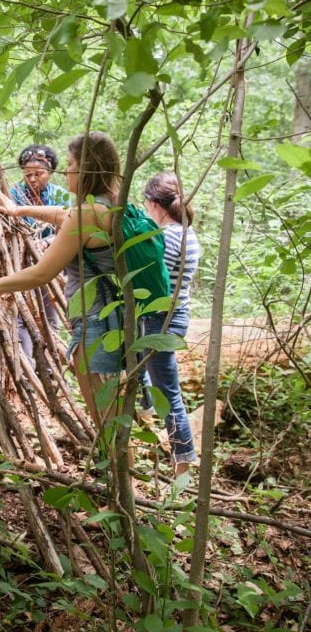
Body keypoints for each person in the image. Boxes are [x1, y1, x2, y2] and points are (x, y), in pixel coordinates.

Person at [0, 132, 124, 432]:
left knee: (107, 421)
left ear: (87, 168)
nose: (67, 170)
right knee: (113, 416)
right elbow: (63, 215)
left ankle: (116, 477)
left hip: (96, 323)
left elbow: (41, 273)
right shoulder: (110, 203)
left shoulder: (88, 214)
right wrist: (18, 209)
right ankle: (118, 476)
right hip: (114, 318)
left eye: (72, 163)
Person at [140, 172, 201, 477]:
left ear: (154, 204)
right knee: (143, 370)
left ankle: (184, 462)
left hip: (160, 319)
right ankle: (147, 409)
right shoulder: (188, 233)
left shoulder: (165, 237)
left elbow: (153, 281)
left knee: (169, 390)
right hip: (176, 315)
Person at [6, 144, 69, 365]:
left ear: (50, 173)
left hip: (51, 263)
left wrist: (49, 242)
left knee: (49, 315)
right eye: (28, 174)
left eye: (39, 174)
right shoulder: (12, 195)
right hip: (21, 262)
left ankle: (51, 366)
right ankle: (29, 366)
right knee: (23, 315)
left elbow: (68, 225)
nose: (32, 179)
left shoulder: (61, 196)